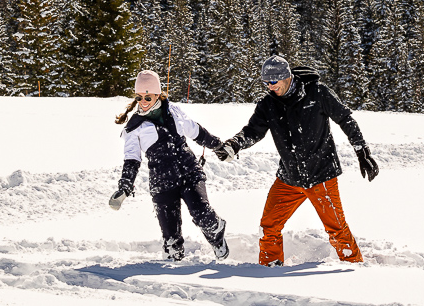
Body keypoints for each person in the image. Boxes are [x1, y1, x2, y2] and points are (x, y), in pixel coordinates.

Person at [214, 55, 379, 266]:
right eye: (266, 82)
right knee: (269, 226)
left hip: (321, 175)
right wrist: (234, 145)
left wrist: (362, 151)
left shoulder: (317, 93)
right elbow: (253, 131)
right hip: (289, 177)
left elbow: (345, 119)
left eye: (274, 82)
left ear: (287, 77)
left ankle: (354, 266)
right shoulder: (268, 104)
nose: (270, 87)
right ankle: (269, 269)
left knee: (337, 228)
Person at [108, 69, 230, 261]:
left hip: (189, 172)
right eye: (139, 97)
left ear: (158, 94)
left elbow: (195, 131)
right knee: (171, 239)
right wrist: (125, 185)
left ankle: (216, 234)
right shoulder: (133, 127)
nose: (143, 102)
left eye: (147, 97)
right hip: (162, 183)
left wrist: (219, 146)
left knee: (202, 215)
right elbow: (131, 159)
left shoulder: (172, 110)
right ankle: (173, 274)